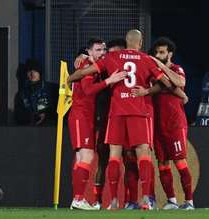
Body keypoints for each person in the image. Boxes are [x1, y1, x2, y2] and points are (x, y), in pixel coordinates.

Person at [68, 29, 175, 210]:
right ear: (140, 43)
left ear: (126, 42)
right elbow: (168, 84)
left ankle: (113, 202)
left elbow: (84, 72)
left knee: (113, 157)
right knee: (143, 156)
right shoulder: (146, 59)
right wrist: (147, 91)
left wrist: (71, 77)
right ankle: (147, 199)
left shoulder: (113, 57)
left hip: (116, 112)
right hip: (139, 112)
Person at [132, 37, 193, 210]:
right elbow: (163, 85)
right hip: (157, 124)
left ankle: (189, 201)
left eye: (162, 52)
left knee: (180, 161)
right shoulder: (152, 72)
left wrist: (162, 67)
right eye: (156, 52)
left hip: (175, 123)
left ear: (170, 54)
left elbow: (179, 84)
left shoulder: (176, 69)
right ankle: (172, 201)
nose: (158, 55)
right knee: (163, 163)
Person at [68, 38, 126, 210]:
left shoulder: (93, 65)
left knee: (81, 159)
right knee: (87, 157)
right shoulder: (87, 65)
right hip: (81, 116)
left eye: (104, 50)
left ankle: (77, 199)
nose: (102, 53)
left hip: (85, 116)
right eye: (98, 50)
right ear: (89, 51)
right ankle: (78, 199)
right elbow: (87, 90)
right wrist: (110, 80)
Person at [14, 59, 50, 126]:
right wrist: (31, 117)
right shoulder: (21, 94)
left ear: (40, 73)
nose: (32, 73)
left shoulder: (48, 90)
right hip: (28, 131)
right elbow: (18, 116)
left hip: (49, 130)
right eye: (29, 70)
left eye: (35, 70)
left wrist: (45, 115)